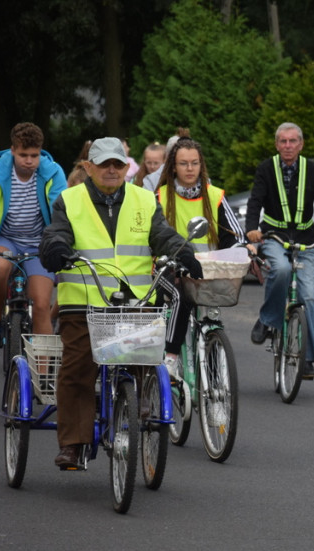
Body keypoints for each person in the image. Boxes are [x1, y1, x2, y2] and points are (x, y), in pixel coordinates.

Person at [39, 137, 203, 470]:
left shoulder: (144, 199)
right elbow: (55, 234)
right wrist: (56, 249)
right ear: (88, 167)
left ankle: (137, 403)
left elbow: (162, 235)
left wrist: (182, 251)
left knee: (144, 351)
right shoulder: (69, 200)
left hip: (134, 300)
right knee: (77, 369)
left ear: (126, 167)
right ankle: (72, 444)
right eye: (104, 164)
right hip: (83, 302)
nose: (112, 170)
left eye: (118, 164)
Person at [245, 122, 314, 380]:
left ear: (301, 144)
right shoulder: (266, 168)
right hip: (274, 236)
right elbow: (255, 201)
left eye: (293, 141)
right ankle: (267, 318)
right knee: (282, 269)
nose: (288, 146)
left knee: (308, 297)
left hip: (305, 240)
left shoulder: (313, 169)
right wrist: (252, 230)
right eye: (283, 141)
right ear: (277, 145)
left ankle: (307, 358)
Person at [0, 122, 67, 353]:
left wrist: (64, 244)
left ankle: (44, 375)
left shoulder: (53, 172)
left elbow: (63, 212)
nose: (29, 160)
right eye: (23, 155)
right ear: (12, 150)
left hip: (40, 243)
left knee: (41, 304)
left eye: (34, 155)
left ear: (41, 152)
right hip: (6, 238)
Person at [154, 136, 248, 377]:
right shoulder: (161, 196)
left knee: (212, 320)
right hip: (170, 268)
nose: (189, 169)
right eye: (183, 163)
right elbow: (154, 235)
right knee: (181, 297)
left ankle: (216, 376)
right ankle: (171, 357)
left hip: (207, 270)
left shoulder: (214, 195)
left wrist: (241, 247)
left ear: (201, 165)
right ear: (173, 166)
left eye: (194, 163)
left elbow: (232, 233)